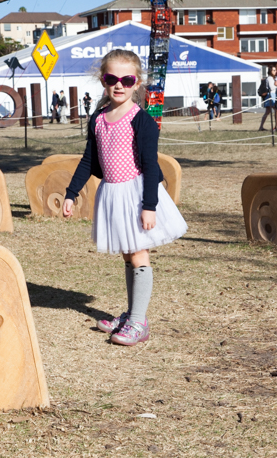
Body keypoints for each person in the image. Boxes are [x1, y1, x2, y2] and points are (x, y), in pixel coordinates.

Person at [63, 49, 187, 346]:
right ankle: (132, 314)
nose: (119, 85)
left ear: (137, 82)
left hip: (137, 194)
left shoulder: (141, 120)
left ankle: (138, 323)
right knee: (127, 255)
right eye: (111, 78)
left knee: (139, 254)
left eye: (127, 79)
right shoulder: (98, 119)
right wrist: (71, 192)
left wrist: (149, 207)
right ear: (102, 80)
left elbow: (149, 165)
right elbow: (88, 161)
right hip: (112, 195)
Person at [258, 66, 277, 131]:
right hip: (271, 95)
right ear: (270, 71)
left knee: (269, 112)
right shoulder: (270, 78)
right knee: (276, 111)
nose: (275, 71)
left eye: (275, 70)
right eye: (273, 70)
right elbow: (271, 87)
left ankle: (261, 126)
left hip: (272, 95)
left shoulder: (272, 78)